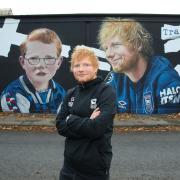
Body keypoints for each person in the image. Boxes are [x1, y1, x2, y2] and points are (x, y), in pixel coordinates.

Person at [56, 45, 116, 180]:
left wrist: (70, 119)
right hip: (69, 167)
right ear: (72, 69)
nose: (81, 69)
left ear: (95, 68)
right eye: (77, 65)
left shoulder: (106, 92)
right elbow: (60, 126)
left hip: (94, 168)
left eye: (86, 65)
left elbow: (97, 128)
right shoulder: (70, 93)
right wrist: (87, 121)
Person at [98, 17, 180, 114]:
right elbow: (103, 120)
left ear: (138, 44)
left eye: (116, 45)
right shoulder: (114, 79)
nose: (108, 54)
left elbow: (169, 128)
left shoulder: (166, 79)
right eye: (106, 48)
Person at [1, 28, 66, 113]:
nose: (41, 65)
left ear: (59, 62)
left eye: (49, 58)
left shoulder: (60, 93)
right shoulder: (13, 95)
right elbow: (20, 126)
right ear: (23, 62)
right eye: (34, 58)